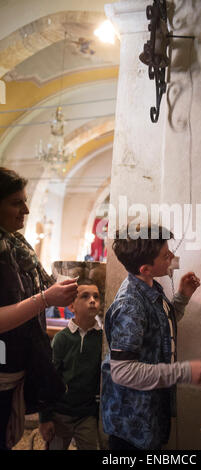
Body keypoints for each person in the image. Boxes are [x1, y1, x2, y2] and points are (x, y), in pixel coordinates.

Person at [101, 224, 201, 451]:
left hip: (150, 413)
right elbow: (123, 371)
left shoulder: (149, 286)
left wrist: (182, 298)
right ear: (145, 268)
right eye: (165, 255)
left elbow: (159, 329)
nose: (171, 256)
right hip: (131, 423)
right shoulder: (130, 305)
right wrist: (185, 371)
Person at [0, 167, 78, 450]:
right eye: (15, 202)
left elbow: (41, 288)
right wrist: (45, 299)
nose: (26, 210)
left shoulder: (16, 245)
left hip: (12, 373)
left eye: (24, 200)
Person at [39, 279, 103, 450]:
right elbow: (49, 379)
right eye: (85, 296)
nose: (92, 300)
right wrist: (45, 417)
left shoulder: (102, 339)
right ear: (71, 307)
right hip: (60, 414)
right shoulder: (62, 339)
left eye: (96, 296)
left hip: (86, 415)